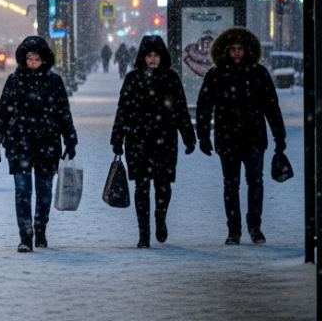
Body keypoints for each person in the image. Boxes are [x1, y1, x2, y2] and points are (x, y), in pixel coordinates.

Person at [196, 26, 286, 245]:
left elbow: (271, 107)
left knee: (254, 183)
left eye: (240, 49)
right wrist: (203, 136)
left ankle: (254, 227)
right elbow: (204, 107)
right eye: (232, 49)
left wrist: (279, 136)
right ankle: (234, 230)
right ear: (225, 50)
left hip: (252, 138)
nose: (236, 53)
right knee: (232, 185)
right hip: (228, 139)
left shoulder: (258, 73)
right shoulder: (217, 74)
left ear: (247, 50)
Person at [0, 36, 78, 253]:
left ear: (44, 60)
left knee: (44, 191)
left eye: (37, 59)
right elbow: (3, 111)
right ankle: (26, 236)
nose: (34, 63)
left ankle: (40, 227)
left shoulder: (54, 82)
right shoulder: (14, 80)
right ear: (24, 59)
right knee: (22, 191)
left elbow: (64, 113)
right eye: (30, 58)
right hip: (19, 143)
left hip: (47, 143)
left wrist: (70, 140)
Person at [110, 35, 196, 248]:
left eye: (156, 55)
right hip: (138, 140)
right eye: (149, 55)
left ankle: (160, 218)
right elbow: (123, 110)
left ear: (162, 56)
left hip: (164, 140)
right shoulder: (133, 78)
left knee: (163, 185)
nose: (153, 59)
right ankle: (144, 233)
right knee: (142, 187)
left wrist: (189, 137)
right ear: (143, 57)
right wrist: (117, 138)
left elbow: (180, 109)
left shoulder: (171, 78)